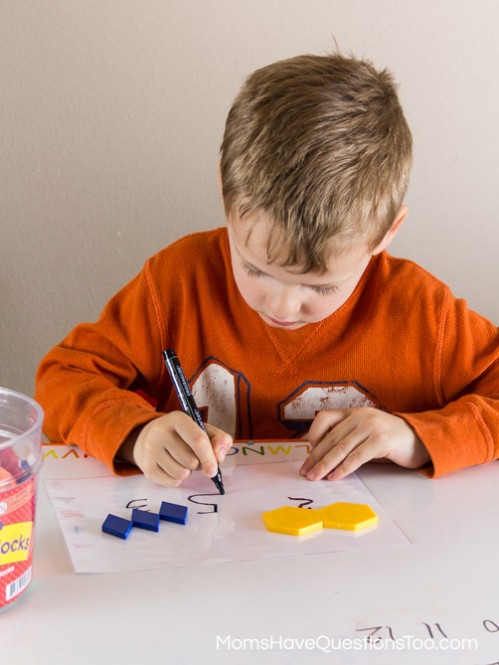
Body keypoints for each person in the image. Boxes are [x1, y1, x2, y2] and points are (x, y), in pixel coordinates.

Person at [35, 52, 499, 488]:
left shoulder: (421, 314)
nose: (280, 305)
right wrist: (137, 434)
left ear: (385, 234)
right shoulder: (177, 282)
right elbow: (62, 379)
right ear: (225, 194)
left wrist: (416, 438)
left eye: (320, 285)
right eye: (255, 270)